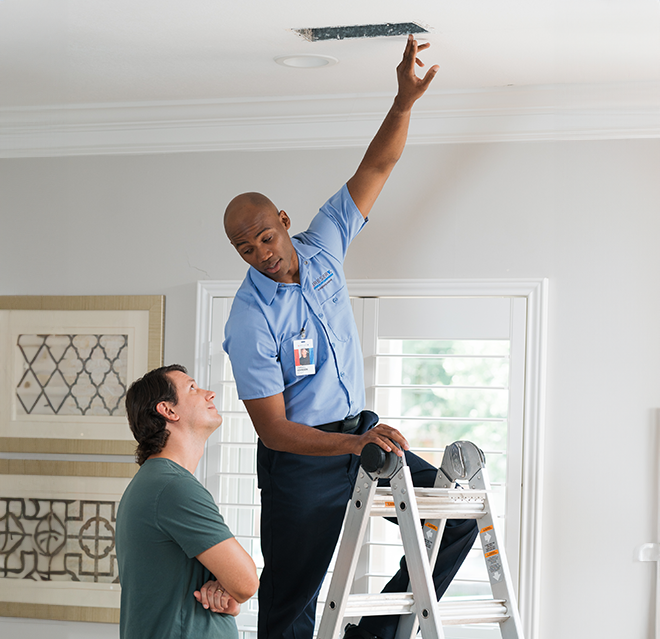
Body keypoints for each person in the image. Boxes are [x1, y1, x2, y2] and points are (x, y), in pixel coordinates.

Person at [222, 36, 478, 639]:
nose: (262, 254)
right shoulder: (249, 316)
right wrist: (349, 449)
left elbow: (378, 166)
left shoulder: (325, 247)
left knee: (453, 522)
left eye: (265, 236)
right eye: (245, 248)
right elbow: (273, 429)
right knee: (292, 603)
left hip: (359, 433)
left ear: (284, 222)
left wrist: (403, 102)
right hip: (302, 464)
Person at [115, 364, 259, 639]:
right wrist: (233, 588)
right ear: (168, 410)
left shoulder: (156, 482)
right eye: (193, 388)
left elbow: (232, 587)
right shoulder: (173, 488)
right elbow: (246, 583)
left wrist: (223, 591)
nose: (210, 394)